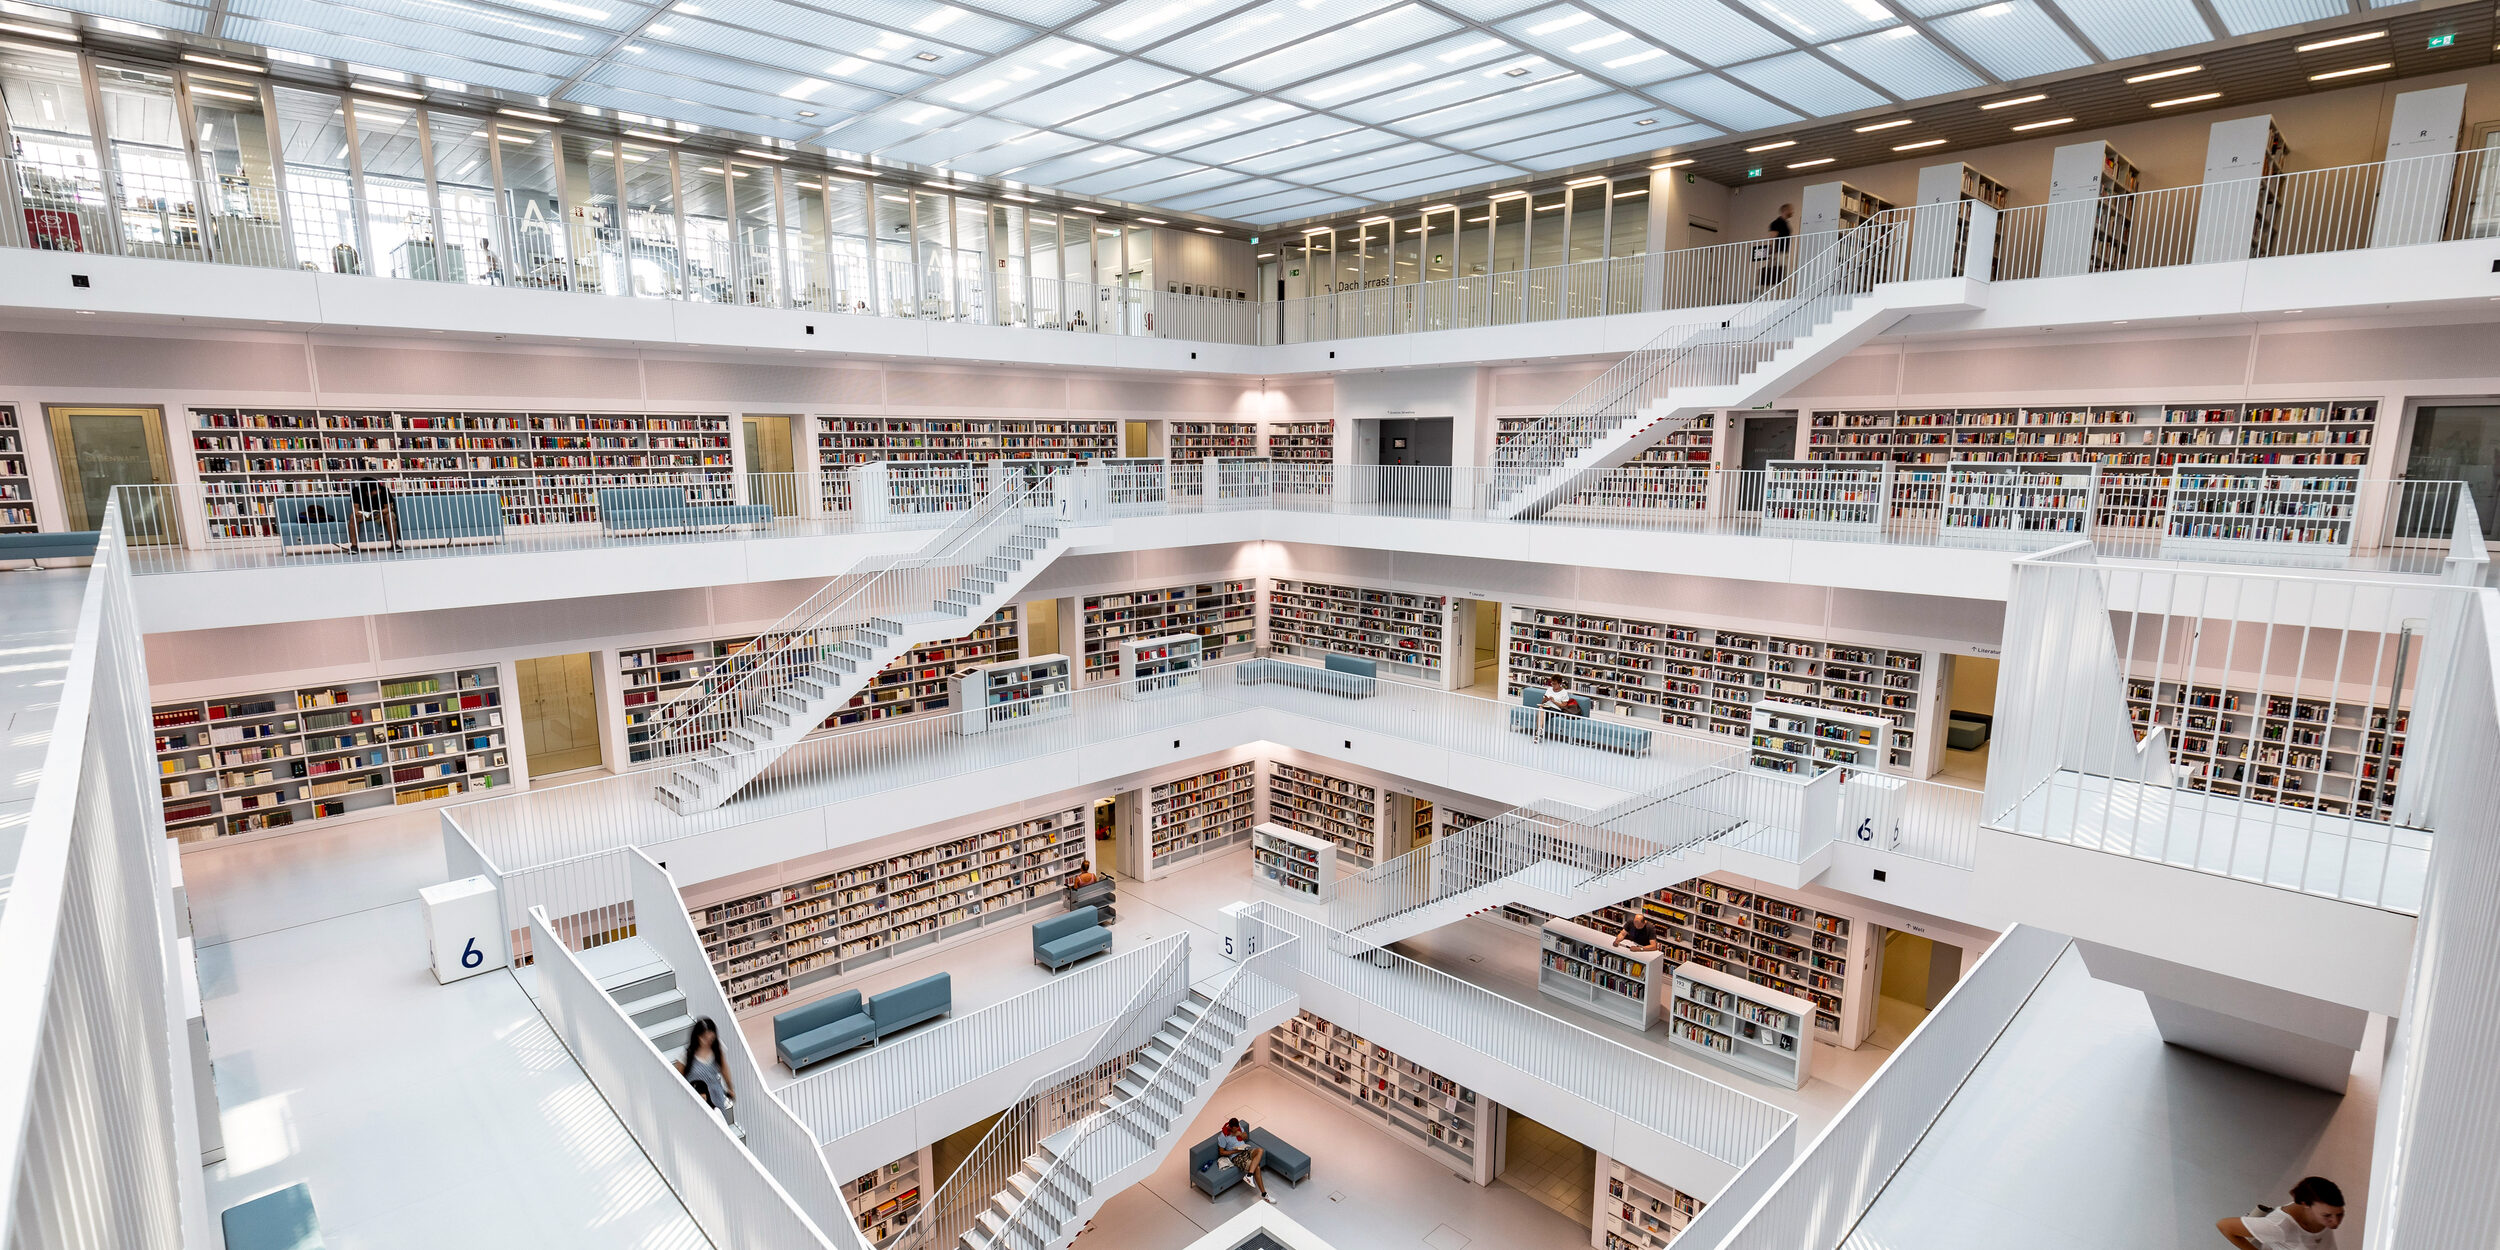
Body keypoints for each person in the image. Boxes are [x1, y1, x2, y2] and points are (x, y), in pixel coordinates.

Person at [2218, 1177, 2344, 1249]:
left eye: (2340, 1214)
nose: (2336, 1222)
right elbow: (2224, 1226)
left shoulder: (2318, 1208)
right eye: (2327, 1216)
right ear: (2306, 1204)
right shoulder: (2280, 1226)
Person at [678, 1017, 736, 1126]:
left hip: (715, 1095)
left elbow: (724, 1068)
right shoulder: (687, 1056)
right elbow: (679, 1078)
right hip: (698, 1098)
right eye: (705, 1038)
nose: (708, 1042)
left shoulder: (717, 1049)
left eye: (711, 1038)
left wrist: (730, 1088)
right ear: (698, 1037)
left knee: (720, 1124)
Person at [1215, 1118, 1271, 1202]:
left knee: (1260, 1150)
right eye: (1234, 1129)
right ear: (1230, 1127)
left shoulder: (1239, 1127)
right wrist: (1235, 1151)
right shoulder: (1223, 1136)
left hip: (1245, 1150)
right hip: (1236, 1156)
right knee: (1257, 1168)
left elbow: (1246, 1136)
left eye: (1237, 1128)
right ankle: (1264, 1194)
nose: (1236, 1130)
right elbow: (1222, 1152)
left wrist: (1240, 1134)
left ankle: (1249, 1175)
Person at [348, 475, 399, 553]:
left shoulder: (384, 490)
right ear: (367, 492)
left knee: (390, 516)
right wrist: (358, 513)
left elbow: (389, 508)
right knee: (352, 517)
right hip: (365, 514)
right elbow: (355, 508)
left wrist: (381, 512)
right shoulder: (356, 491)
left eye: (378, 488)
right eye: (375, 490)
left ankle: (394, 545)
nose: (378, 491)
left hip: (382, 513)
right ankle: (354, 546)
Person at [1760, 203, 1795, 288]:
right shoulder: (1776, 223)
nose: (1792, 211)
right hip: (1779, 253)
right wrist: (1774, 253)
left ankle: (1782, 296)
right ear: (1785, 211)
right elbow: (1772, 237)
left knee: (1783, 275)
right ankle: (1777, 296)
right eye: (1790, 209)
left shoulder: (1785, 223)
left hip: (1784, 252)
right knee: (1778, 275)